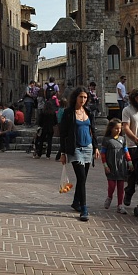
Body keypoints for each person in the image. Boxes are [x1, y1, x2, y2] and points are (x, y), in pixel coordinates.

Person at [59, 86, 101, 221]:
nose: (83, 100)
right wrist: (63, 152)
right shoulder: (68, 112)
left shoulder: (88, 112)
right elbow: (63, 134)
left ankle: (76, 202)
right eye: (80, 97)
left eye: (85, 97)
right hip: (75, 148)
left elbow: (93, 131)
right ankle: (84, 208)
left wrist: (96, 147)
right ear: (75, 97)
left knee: (82, 179)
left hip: (88, 147)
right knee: (81, 177)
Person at [101, 119, 127, 212]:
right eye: (116, 128)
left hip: (121, 166)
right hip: (111, 166)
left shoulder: (123, 139)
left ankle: (120, 204)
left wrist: (130, 162)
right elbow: (103, 154)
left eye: (120, 128)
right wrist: (105, 165)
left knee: (121, 186)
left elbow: (126, 151)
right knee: (112, 185)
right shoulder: (106, 140)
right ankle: (109, 197)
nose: (118, 130)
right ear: (111, 128)